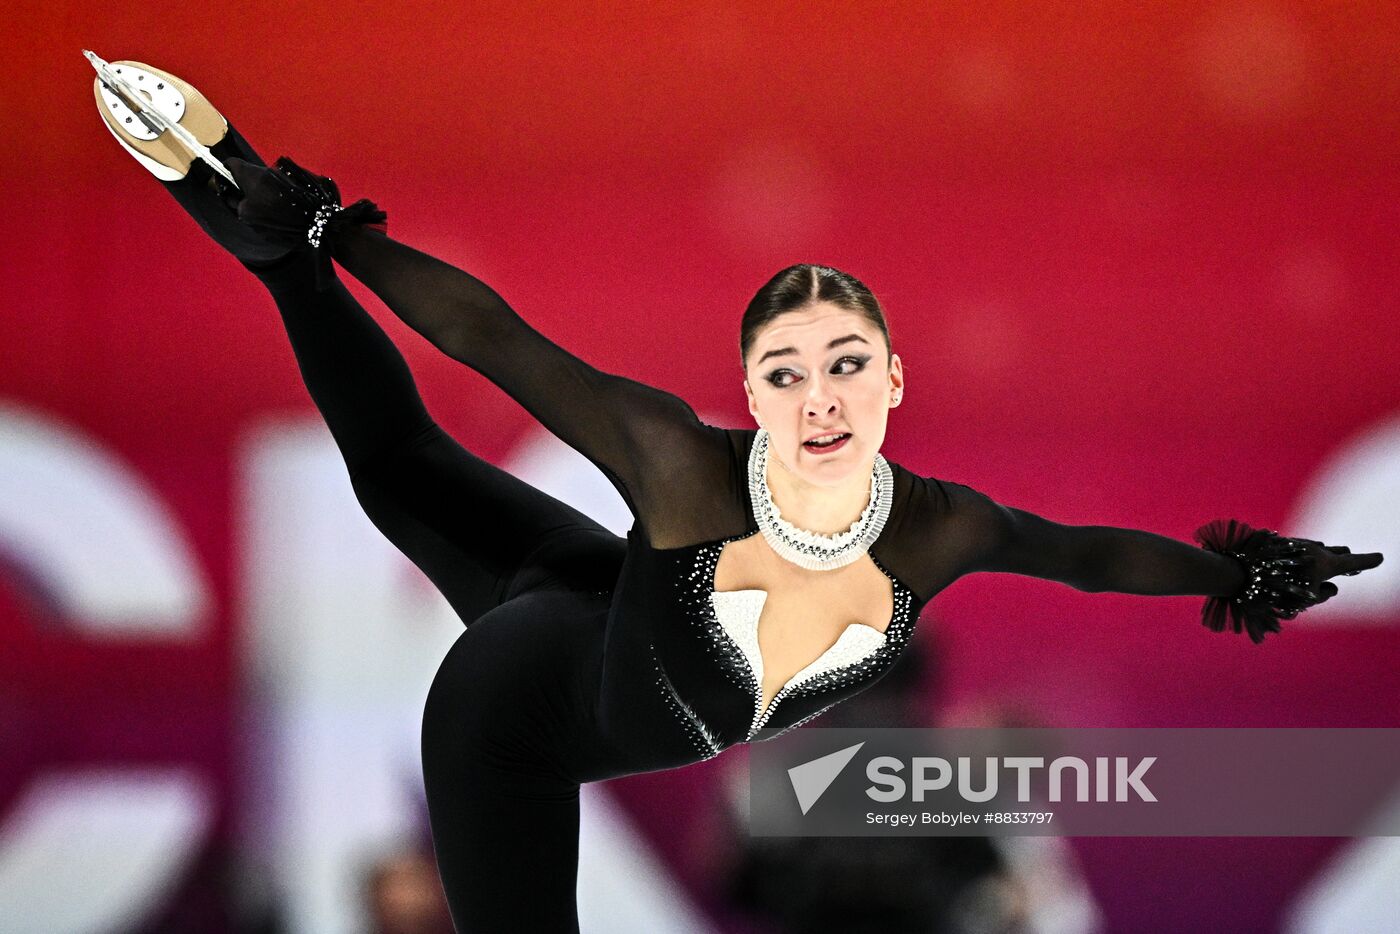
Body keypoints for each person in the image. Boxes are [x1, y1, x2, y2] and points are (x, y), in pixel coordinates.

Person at [93, 61, 1384, 933]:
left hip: (592, 619)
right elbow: (493, 337)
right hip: (510, 715)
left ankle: (259, 238)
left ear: (892, 381)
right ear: (752, 398)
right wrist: (338, 235)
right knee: (406, 465)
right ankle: (268, 232)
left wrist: (1241, 573)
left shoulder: (945, 526)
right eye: (786, 372)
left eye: (844, 366)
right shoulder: (674, 462)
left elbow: (1096, 556)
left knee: (401, 477)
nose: (818, 395)